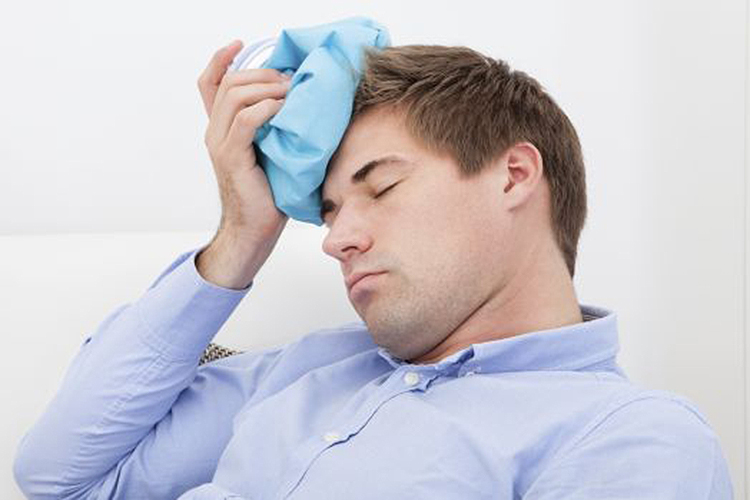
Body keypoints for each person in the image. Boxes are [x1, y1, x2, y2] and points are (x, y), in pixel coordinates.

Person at [13, 40, 733, 499]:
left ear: (513, 175)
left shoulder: (630, 435)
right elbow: (59, 478)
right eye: (328, 213)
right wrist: (241, 236)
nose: (336, 241)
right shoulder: (309, 371)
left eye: (381, 187)